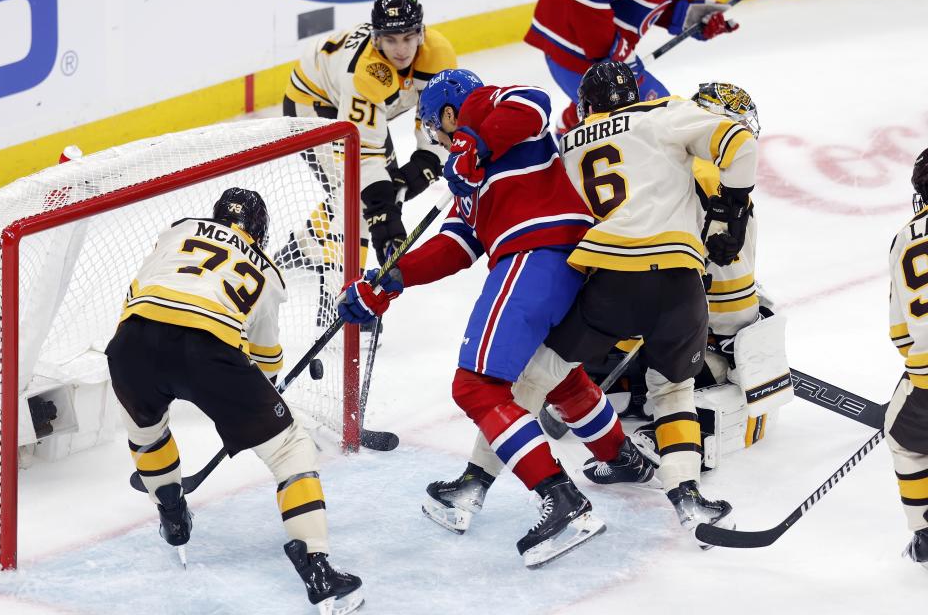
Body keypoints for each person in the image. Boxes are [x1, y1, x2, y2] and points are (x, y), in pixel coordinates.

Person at [335, 69, 651, 567]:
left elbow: (534, 101)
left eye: (434, 129)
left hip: (537, 254)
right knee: (556, 376)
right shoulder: (468, 179)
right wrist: (390, 281)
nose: (437, 141)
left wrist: (471, 144)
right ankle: (620, 455)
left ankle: (563, 500)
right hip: (561, 263)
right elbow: (455, 247)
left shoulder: (485, 109)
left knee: (475, 387)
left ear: (446, 113)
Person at [105, 188, 363, 614]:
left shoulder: (177, 231)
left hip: (130, 342)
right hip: (207, 355)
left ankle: (171, 511)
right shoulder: (269, 272)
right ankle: (316, 567)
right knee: (289, 447)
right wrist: (262, 402)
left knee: (147, 435)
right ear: (261, 232)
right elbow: (264, 360)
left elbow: (139, 294)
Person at [541, 61, 759, 539]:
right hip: (681, 291)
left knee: (538, 376)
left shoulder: (567, 146)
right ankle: (688, 497)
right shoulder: (667, 114)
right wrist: (733, 208)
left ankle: (487, 477)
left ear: (588, 106)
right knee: (676, 390)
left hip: (608, 290)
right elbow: (741, 145)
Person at [589, 82, 792, 472]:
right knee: (751, 352)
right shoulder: (717, 176)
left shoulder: (648, 152)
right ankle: (683, 431)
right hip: (683, 317)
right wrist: (742, 342)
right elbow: (730, 282)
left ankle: (619, 387)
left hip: (615, 312)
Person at [280, 0, 456, 272]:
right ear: (377, 38)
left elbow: (437, 124)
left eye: (408, 37)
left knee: (388, 191)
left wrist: (427, 161)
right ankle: (349, 298)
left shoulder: (437, 54)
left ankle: (307, 243)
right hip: (314, 105)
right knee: (360, 202)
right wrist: (382, 216)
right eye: (391, 39)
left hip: (351, 106)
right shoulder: (365, 72)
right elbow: (364, 161)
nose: (401, 49)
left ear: (421, 34)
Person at [523, 0, 738, 133]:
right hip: (573, 47)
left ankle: (572, 126)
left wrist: (686, 15)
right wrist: (613, 53)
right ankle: (577, 132)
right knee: (661, 121)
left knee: (649, 116)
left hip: (576, 40)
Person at [886, 147, 928, 569]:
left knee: (905, 441)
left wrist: (917, 368)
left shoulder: (905, 236)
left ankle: (925, 535)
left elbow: (901, 330)